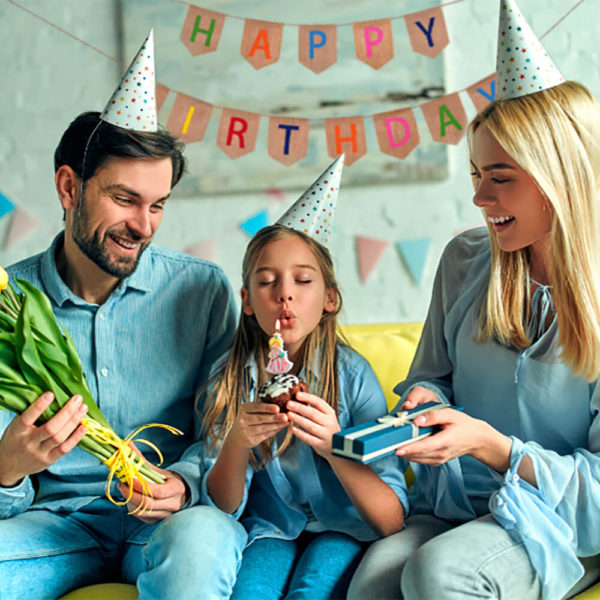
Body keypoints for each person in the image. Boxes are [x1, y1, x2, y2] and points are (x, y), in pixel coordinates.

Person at [348, 2, 600, 599]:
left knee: (443, 574)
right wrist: (424, 400)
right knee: (372, 584)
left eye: (501, 176)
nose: (481, 198)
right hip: (461, 502)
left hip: (558, 519)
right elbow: (433, 378)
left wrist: (492, 446)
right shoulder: (465, 260)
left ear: (559, 175)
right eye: (475, 176)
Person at [0, 32, 246, 600]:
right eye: (124, 199)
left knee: (203, 541)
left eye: (157, 204)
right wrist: (7, 467)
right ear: (69, 187)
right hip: (52, 525)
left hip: (162, 522)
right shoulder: (9, 303)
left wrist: (184, 486)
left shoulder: (200, 290)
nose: (143, 225)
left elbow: (223, 429)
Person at [199, 156, 408, 600]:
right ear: (248, 302)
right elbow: (221, 508)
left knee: (310, 592)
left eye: (303, 280)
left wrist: (337, 448)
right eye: (267, 281)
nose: (285, 294)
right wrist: (237, 442)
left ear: (330, 297)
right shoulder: (231, 379)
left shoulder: (352, 377)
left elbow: (392, 519)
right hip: (271, 530)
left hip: (347, 527)